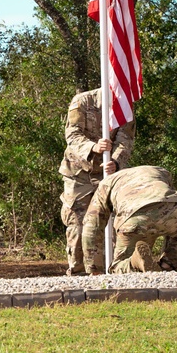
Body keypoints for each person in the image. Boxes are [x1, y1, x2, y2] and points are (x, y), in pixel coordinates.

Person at [60, 87, 134, 275]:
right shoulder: (82, 101)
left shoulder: (124, 105)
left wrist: (115, 162)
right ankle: (77, 273)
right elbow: (72, 135)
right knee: (78, 221)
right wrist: (94, 147)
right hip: (78, 172)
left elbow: (125, 140)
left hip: (108, 174)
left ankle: (109, 271)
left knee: (113, 221)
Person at [81, 165, 177, 274]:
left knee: (118, 266)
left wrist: (94, 268)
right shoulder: (158, 170)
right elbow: (162, 203)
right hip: (173, 210)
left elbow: (92, 226)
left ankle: (133, 262)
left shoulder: (106, 183)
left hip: (134, 218)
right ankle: (167, 265)